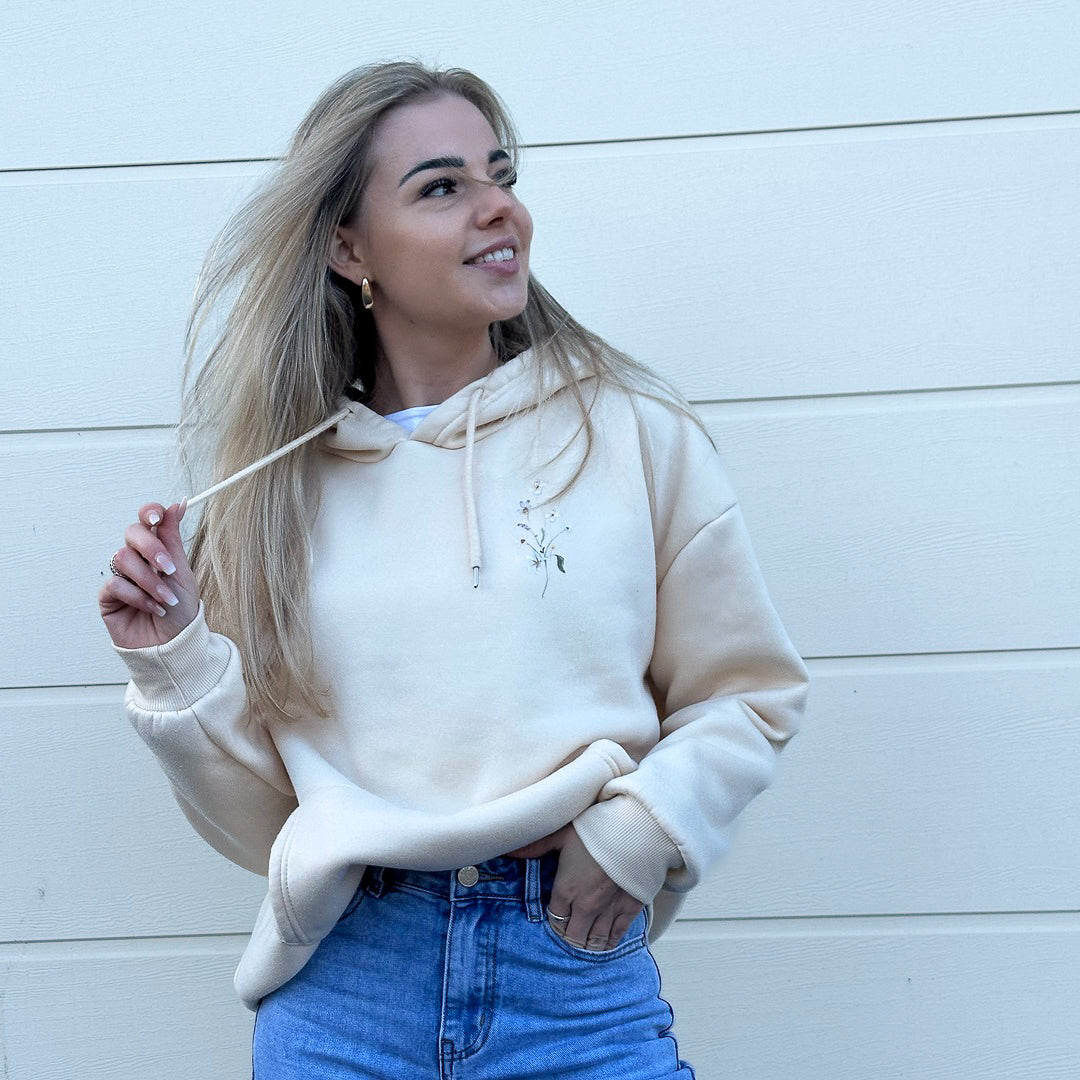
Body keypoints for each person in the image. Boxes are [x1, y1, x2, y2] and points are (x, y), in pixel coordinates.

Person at [99, 61, 808, 1079]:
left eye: (500, 174)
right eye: (441, 186)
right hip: (346, 993)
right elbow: (264, 823)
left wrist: (641, 830)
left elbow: (749, 693)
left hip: (572, 984)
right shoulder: (273, 495)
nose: (498, 207)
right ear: (350, 248)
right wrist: (172, 660)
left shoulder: (631, 433)